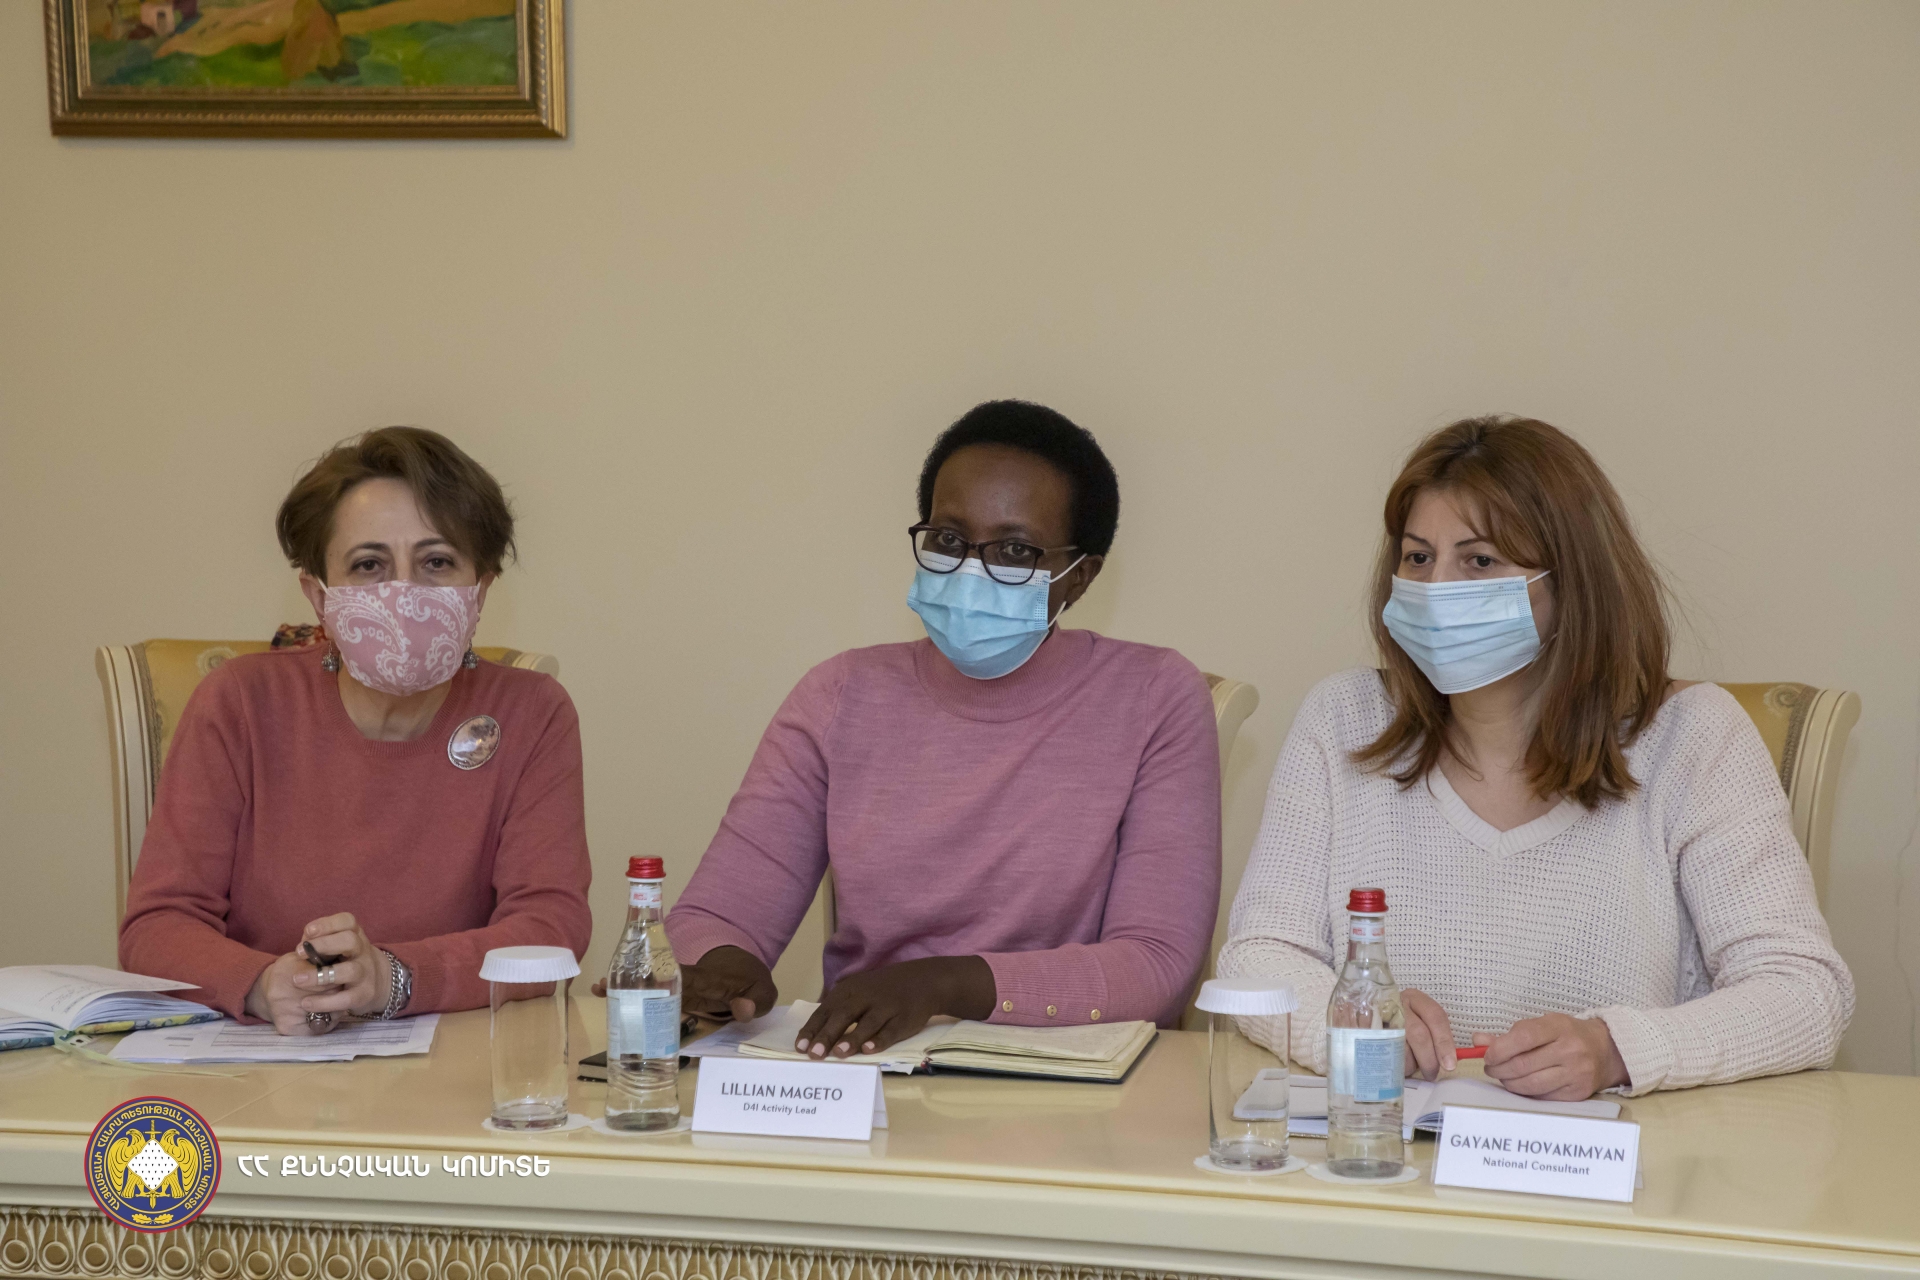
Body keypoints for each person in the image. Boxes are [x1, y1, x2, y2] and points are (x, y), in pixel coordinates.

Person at [1219, 416, 1853, 1099]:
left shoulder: (1693, 736)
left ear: (1572, 581)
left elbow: (1804, 993)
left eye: (1480, 562)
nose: (1436, 589)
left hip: (1625, 1157)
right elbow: (1259, 955)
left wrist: (1617, 1050)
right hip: (1387, 1146)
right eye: (1418, 558)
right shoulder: (1343, 717)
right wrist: (1348, 1022)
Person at [663, 400, 1222, 1057]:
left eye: (1015, 550)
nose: (971, 570)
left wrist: (946, 984)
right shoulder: (840, 694)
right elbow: (714, 917)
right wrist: (723, 963)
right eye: (949, 540)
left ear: (1080, 577)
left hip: (1074, 1078)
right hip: (867, 1068)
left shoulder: (1154, 695)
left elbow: (1155, 964)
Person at [120, 427, 592, 1035]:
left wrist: (392, 979)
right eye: (369, 565)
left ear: (481, 589)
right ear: (318, 595)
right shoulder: (238, 702)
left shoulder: (532, 712)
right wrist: (263, 985)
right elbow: (156, 927)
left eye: (437, 562)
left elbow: (550, 931)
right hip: (263, 1056)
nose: (403, 592)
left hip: (457, 1060)